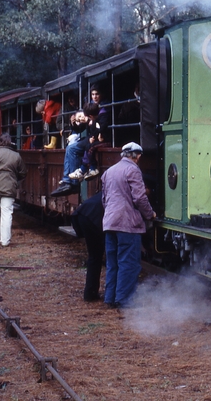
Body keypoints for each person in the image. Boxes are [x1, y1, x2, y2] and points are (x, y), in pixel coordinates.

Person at [101, 142, 157, 309]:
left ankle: (110, 297)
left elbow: (104, 200)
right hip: (127, 224)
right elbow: (139, 197)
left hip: (110, 222)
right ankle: (124, 299)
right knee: (129, 262)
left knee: (113, 262)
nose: (139, 159)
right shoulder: (132, 170)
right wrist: (150, 214)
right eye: (139, 156)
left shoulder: (109, 171)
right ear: (135, 156)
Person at [52, 102, 101, 196]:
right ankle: (67, 180)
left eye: (81, 116)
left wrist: (88, 122)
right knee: (69, 148)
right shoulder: (87, 118)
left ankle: (73, 183)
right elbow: (79, 129)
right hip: (90, 139)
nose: (81, 118)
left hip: (93, 139)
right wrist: (73, 122)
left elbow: (99, 128)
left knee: (71, 149)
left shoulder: (96, 117)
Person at [70, 192, 105, 302]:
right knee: (98, 256)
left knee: (94, 257)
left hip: (82, 215)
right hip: (92, 217)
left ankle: (90, 293)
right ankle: (95, 293)